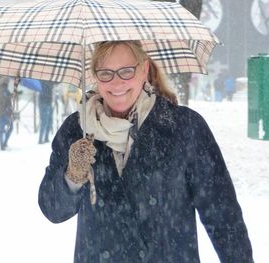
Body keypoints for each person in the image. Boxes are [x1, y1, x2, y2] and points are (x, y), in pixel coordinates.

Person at [38, 41, 253, 263]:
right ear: (94, 76)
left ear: (144, 69)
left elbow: (223, 216)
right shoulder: (77, 129)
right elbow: (53, 210)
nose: (117, 82)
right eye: (105, 73)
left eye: (127, 71)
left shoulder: (184, 127)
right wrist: (72, 176)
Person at [0, 76, 13, 151]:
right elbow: (1, 99)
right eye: (6, 80)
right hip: (3, 112)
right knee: (2, 129)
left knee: (10, 128)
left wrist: (12, 95)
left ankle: (4, 143)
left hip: (7, 112)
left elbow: (7, 97)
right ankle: (2, 145)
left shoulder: (5, 89)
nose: (7, 82)